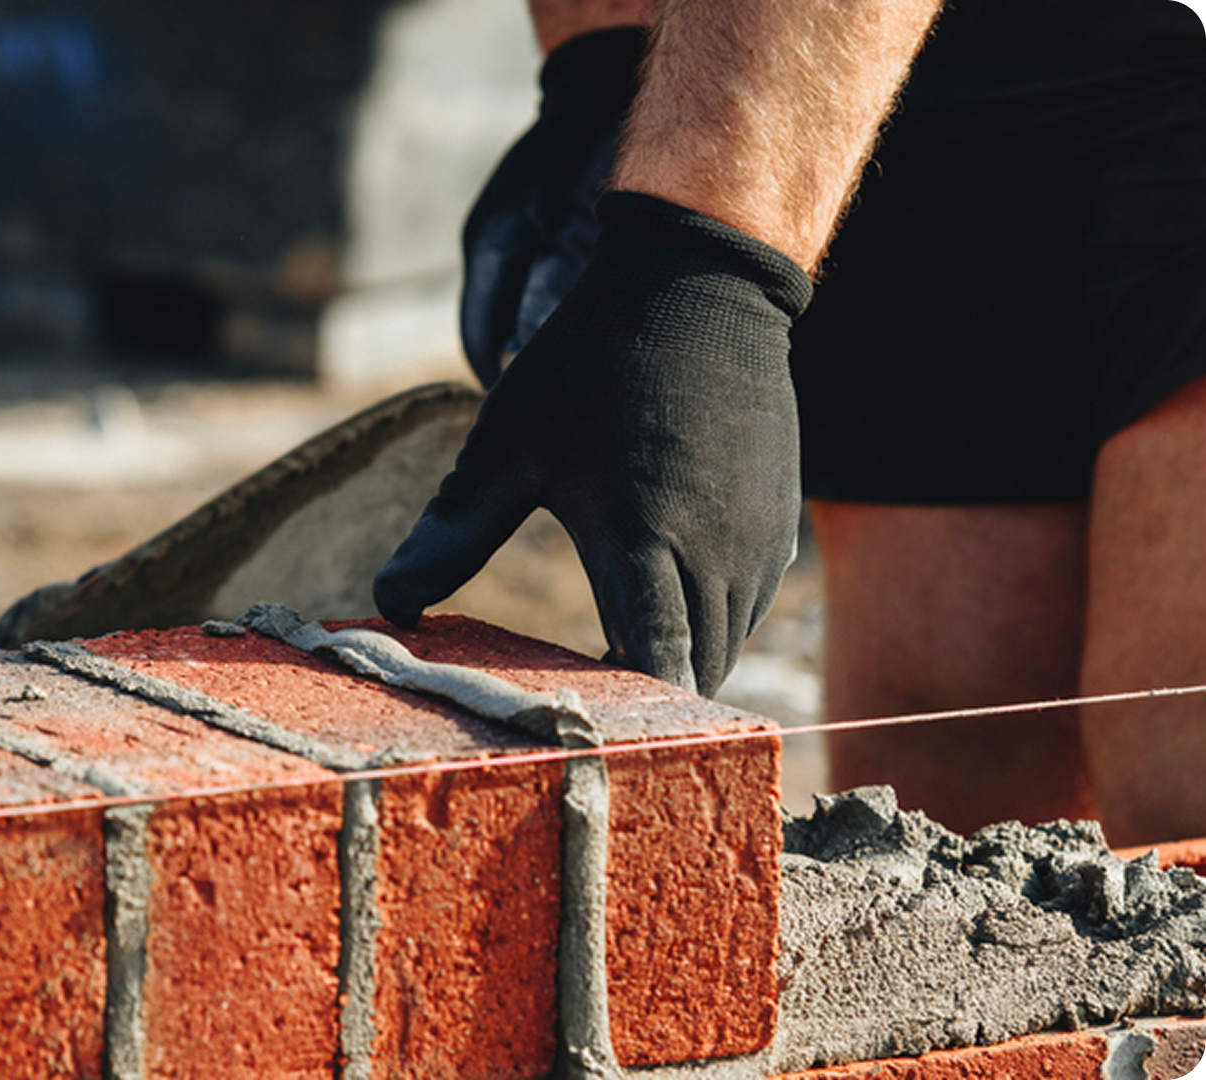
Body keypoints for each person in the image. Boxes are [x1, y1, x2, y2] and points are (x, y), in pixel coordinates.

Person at [373, 0, 1206, 846]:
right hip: (868, 54)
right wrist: (606, 58)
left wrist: (703, 260)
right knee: (948, 765)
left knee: (1181, 763)